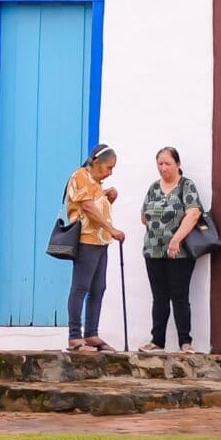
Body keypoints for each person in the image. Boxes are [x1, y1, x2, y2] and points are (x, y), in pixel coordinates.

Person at [140, 145, 204, 351]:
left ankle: (185, 342)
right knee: (159, 298)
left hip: (180, 252)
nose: (163, 167)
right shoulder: (153, 188)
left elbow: (193, 213)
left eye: (168, 163)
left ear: (178, 164)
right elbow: (144, 216)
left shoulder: (186, 186)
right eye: (160, 163)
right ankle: (157, 340)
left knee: (179, 295)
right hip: (153, 250)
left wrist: (175, 239)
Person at [63, 144, 124, 351]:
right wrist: (112, 229)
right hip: (86, 240)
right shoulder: (81, 176)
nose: (110, 172)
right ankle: (74, 336)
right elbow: (88, 209)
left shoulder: (96, 183)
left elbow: (97, 207)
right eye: (108, 168)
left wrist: (108, 198)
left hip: (100, 241)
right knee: (81, 287)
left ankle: (91, 333)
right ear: (96, 163)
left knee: (98, 288)